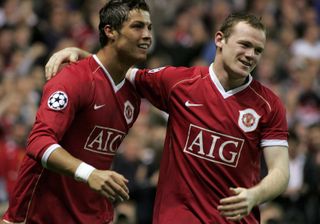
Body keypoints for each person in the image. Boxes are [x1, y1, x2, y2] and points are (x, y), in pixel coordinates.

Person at [45, 13, 289, 224]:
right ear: (220, 40)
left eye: (258, 50)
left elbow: (281, 171)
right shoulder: (178, 83)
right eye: (244, 45)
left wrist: (255, 196)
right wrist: (82, 55)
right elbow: (117, 71)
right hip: (178, 217)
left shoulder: (268, 104)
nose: (251, 55)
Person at [1, 0, 152, 223]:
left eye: (149, 27)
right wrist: (88, 173)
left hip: (96, 216)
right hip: (46, 216)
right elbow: (39, 142)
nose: (147, 35)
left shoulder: (132, 95)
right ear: (110, 31)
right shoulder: (74, 79)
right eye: (137, 26)